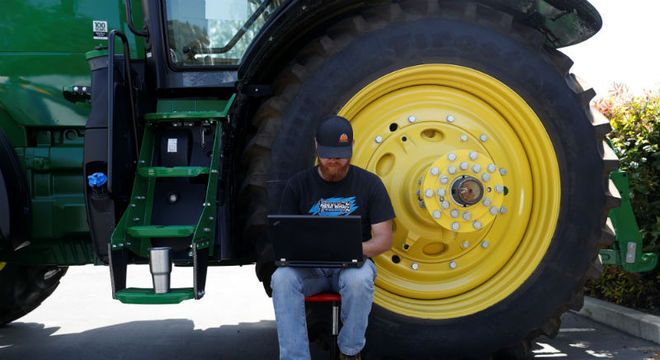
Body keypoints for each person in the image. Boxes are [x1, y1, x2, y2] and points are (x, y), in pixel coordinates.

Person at [271, 115, 395, 360]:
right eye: (327, 155)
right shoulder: (298, 185)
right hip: (311, 271)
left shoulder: (370, 184)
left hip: (350, 266)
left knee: (359, 279)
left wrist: (351, 249)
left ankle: (350, 351)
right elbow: (284, 236)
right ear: (316, 147)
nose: (334, 161)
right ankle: (295, 357)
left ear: (352, 147)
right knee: (281, 278)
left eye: (340, 155)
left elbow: (384, 239)